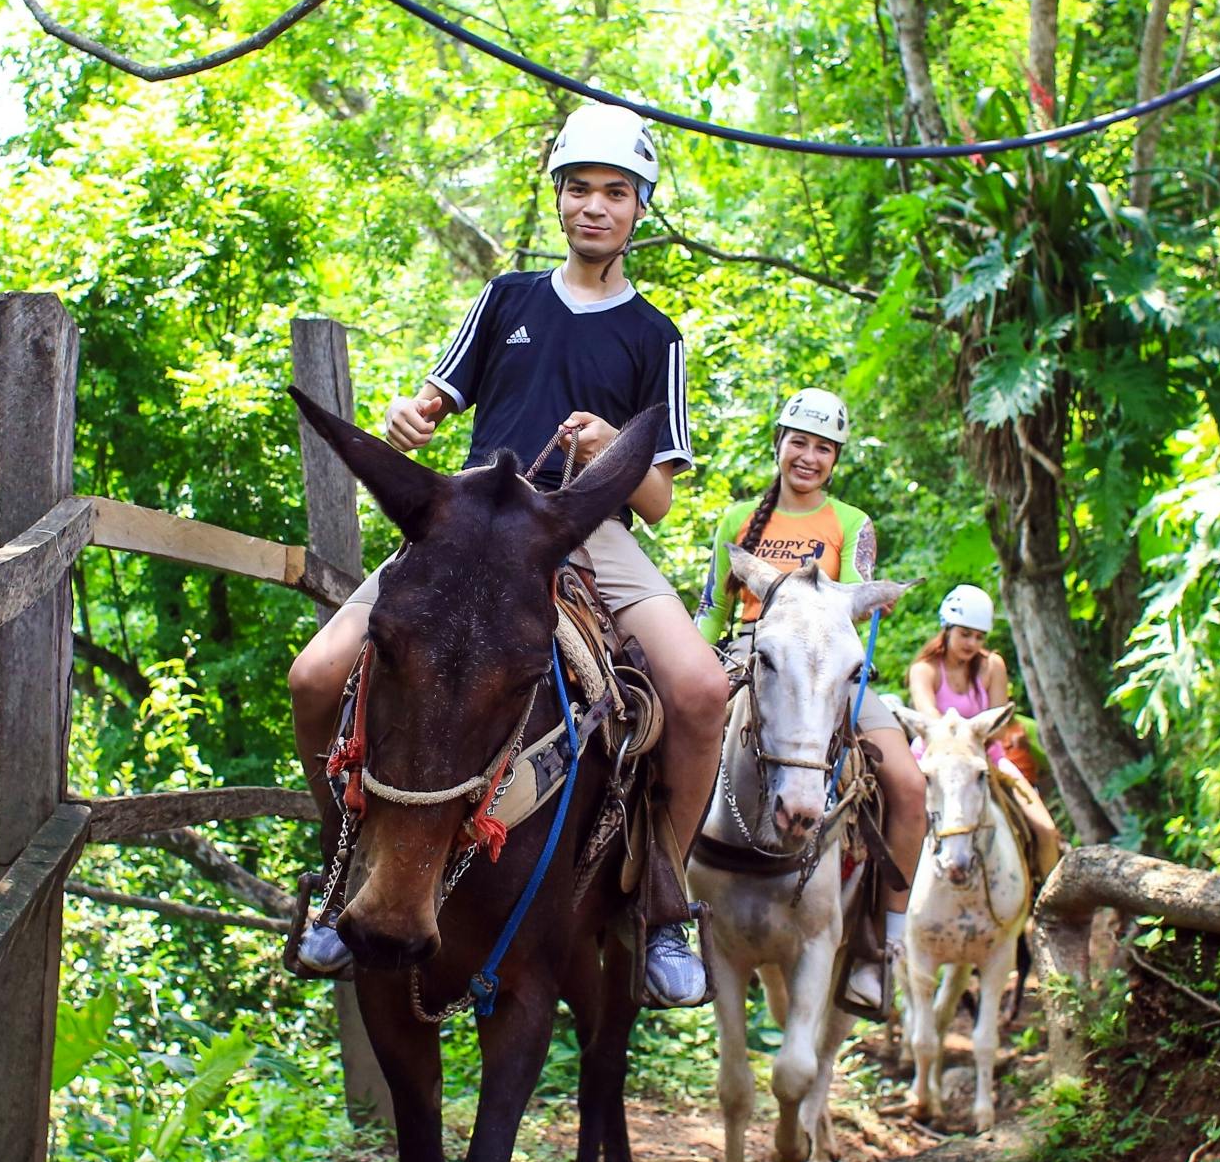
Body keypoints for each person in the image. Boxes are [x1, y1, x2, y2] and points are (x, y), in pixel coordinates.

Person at [286, 102, 730, 1007]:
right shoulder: (508, 298)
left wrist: (612, 446)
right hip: (470, 529)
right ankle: (339, 878)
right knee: (312, 674)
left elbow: (659, 496)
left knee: (700, 690)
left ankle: (665, 903)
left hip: (589, 532)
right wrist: (412, 419)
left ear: (640, 208)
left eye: (615, 192)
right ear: (559, 198)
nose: (594, 207)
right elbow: (432, 402)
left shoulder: (656, 335)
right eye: (579, 190)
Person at [694, 387, 928, 1015]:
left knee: (907, 784)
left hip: (826, 669)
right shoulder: (735, 520)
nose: (808, 456)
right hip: (748, 654)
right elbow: (714, 608)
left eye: (823, 448)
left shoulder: (852, 524)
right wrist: (694, 668)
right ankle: (659, 916)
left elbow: (854, 619)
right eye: (799, 441)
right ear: (780, 444)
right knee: (659, 748)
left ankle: (883, 947)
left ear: (835, 459)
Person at [906, 585, 1062, 877]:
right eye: (965, 634)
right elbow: (932, 721)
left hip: (985, 759)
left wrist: (975, 741)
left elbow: (999, 726)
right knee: (900, 825)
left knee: (1045, 828)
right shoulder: (924, 669)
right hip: (933, 762)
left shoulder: (992, 666)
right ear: (947, 629)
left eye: (979, 637)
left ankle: (1050, 906)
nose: (971, 643)